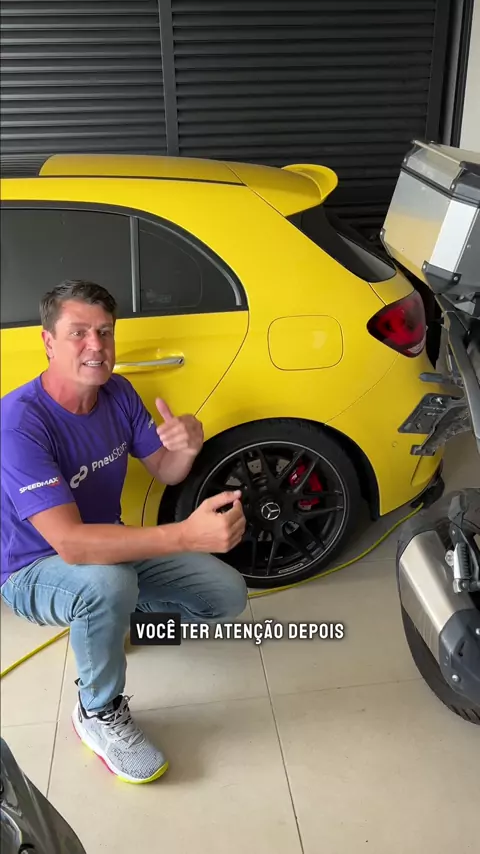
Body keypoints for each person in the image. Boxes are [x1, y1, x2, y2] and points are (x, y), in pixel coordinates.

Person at [0, 280, 248, 785]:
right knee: (106, 585)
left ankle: (117, 626)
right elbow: (71, 544)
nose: (96, 346)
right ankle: (96, 710)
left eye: (105, 332)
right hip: (32, 568)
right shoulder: (18, 424)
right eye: (78, 333)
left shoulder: (118, 392)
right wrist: (185, 535)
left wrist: (187, 445)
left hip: (107, 544)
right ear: (48, 342)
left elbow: (166, 470)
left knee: (227, 594)